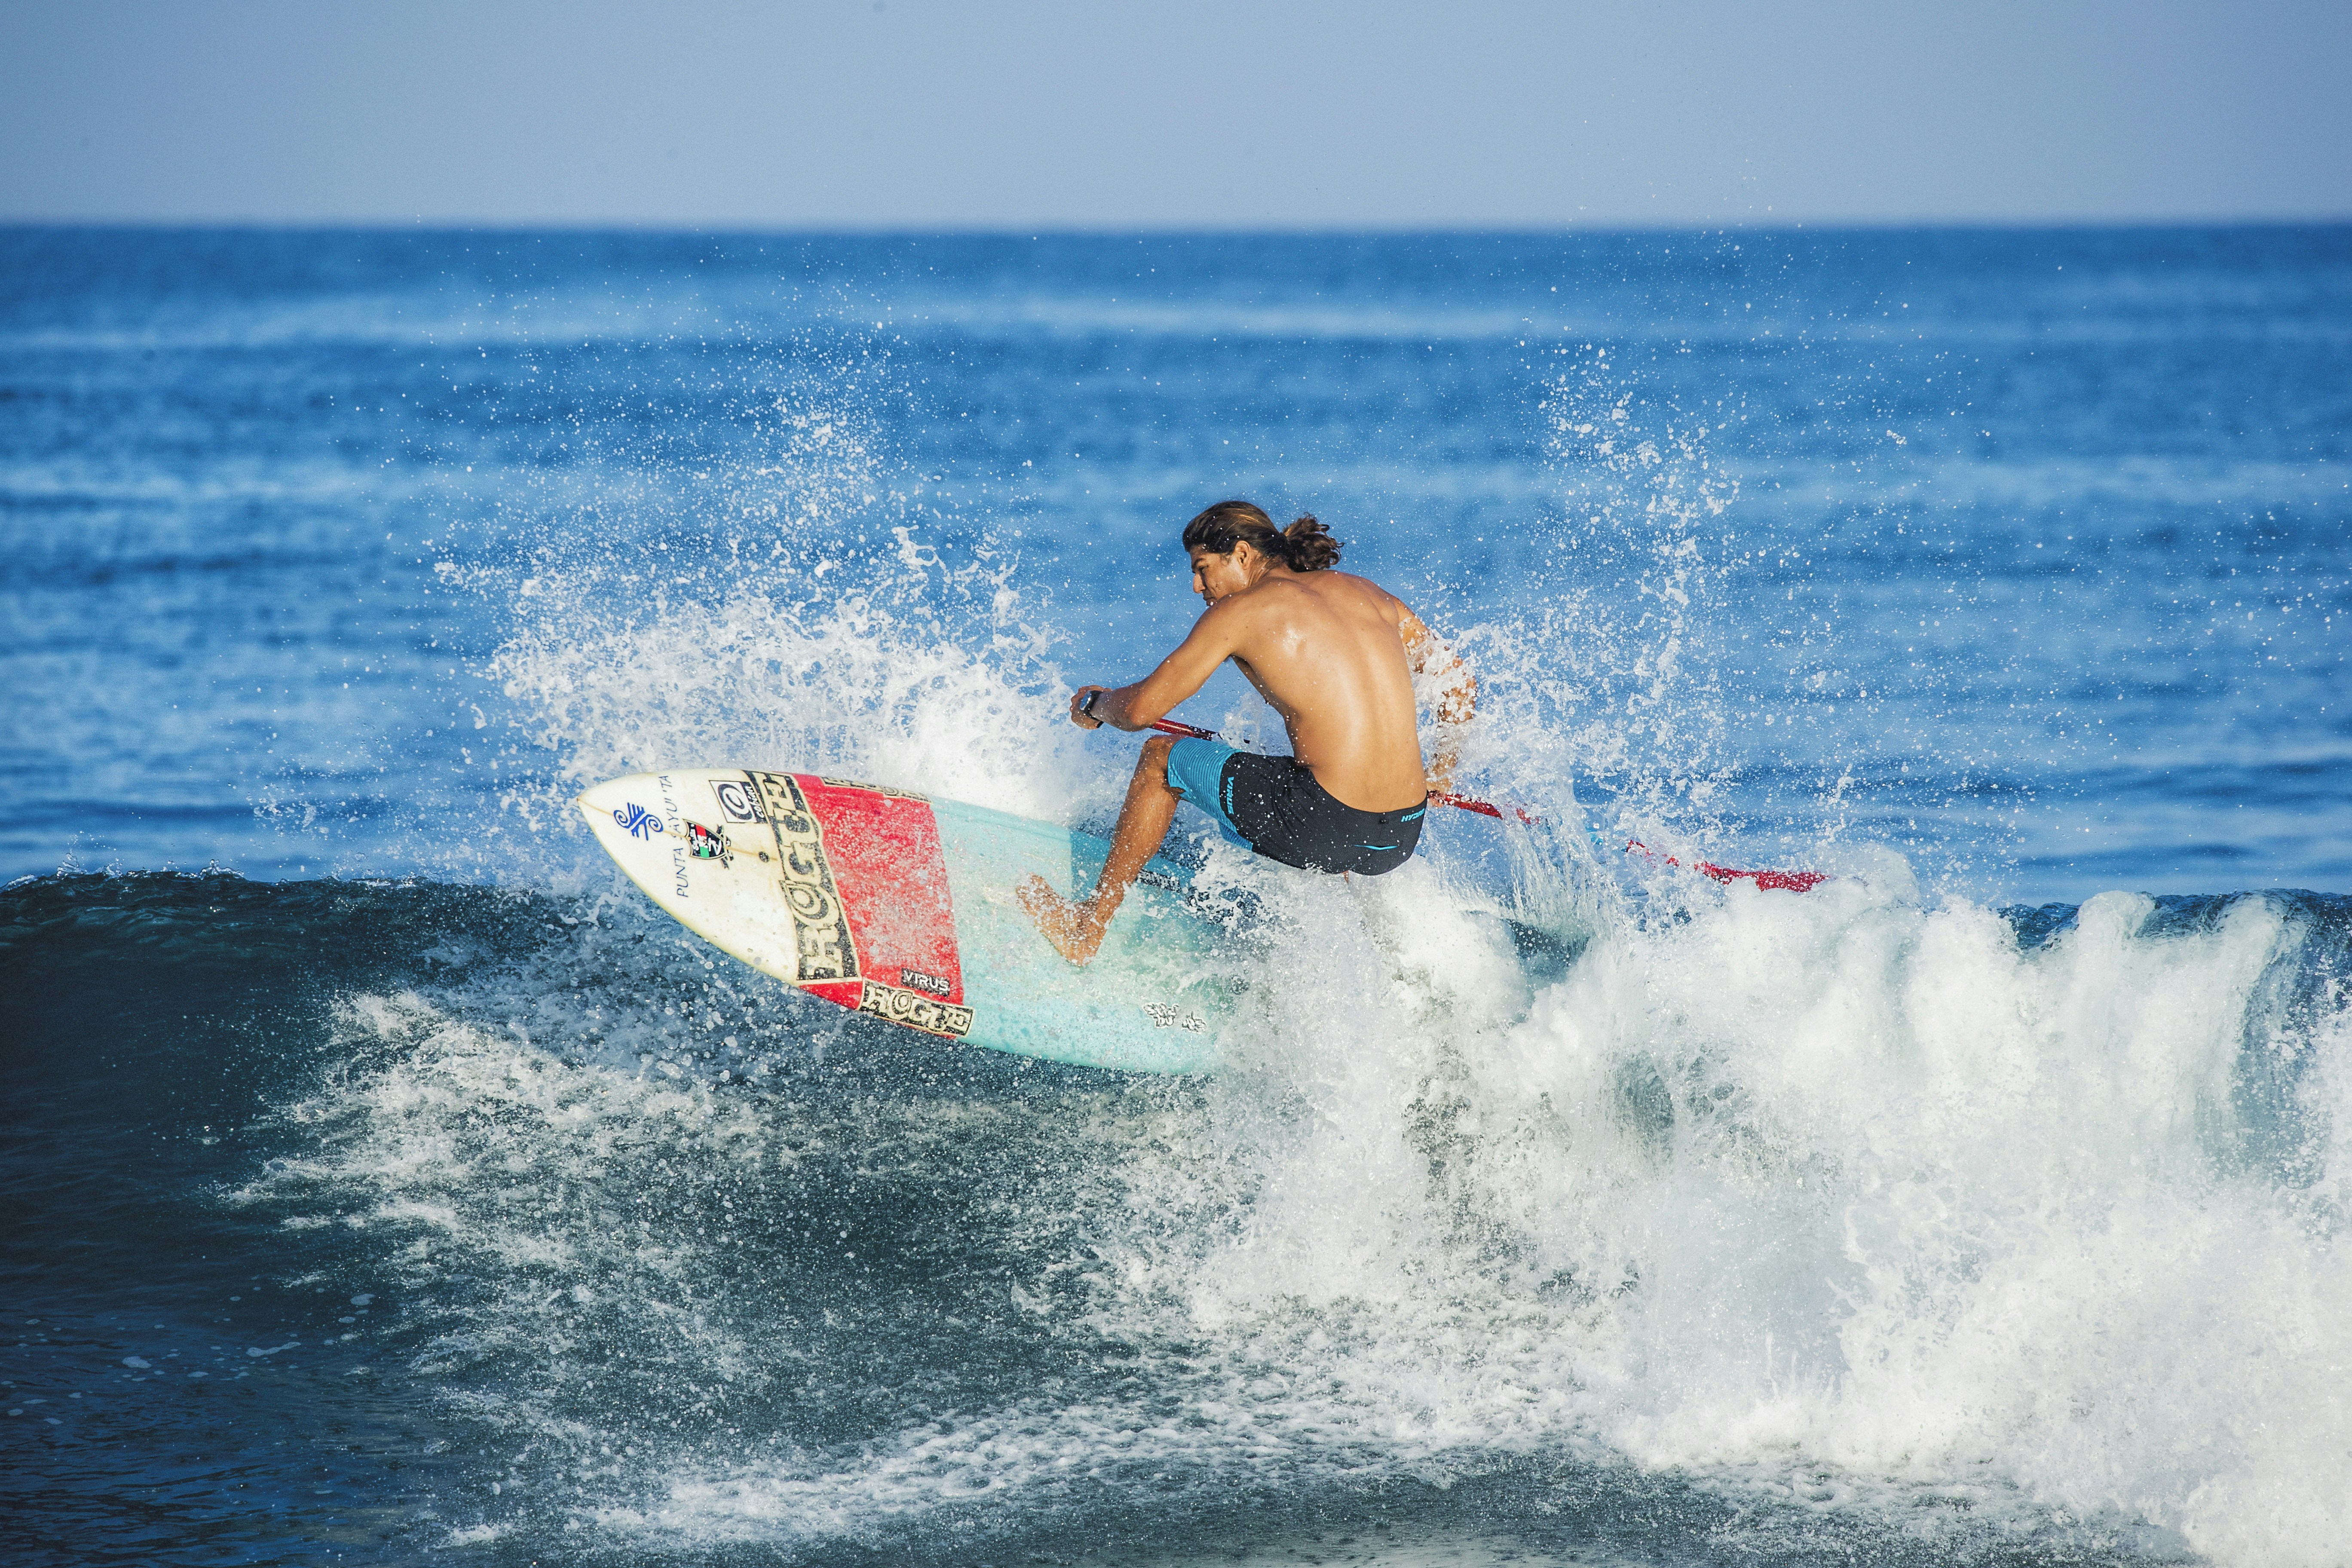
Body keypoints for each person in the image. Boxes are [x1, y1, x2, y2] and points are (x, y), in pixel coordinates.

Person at [1019, 500, 1476, 965]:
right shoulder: (1370, 595)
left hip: (1327, 824)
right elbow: (1459, 684)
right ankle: (1377, 961)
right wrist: (1442, 770)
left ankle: (1085, 929)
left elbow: (1139, 711)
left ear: (1241, 555)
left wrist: (1096, 706)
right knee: (1300, 783)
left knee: (1161, 759)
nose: (1197, 586)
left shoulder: (1241, 610)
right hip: (1399, 836)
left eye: (1202, 569)